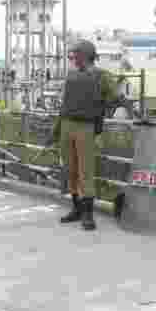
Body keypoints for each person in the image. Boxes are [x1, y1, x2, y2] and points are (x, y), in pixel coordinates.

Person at [51, 40, 118, 231]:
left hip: (87, 127)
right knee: (70, 169)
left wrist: (101, 110)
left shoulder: (102, 76)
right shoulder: (71, 76)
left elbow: (115, 98)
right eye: (72, 55)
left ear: (86, 55)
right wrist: (55, 131)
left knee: (86, 170)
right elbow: (65, 106)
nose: (73, 58)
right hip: (66, 125)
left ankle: (88, 214)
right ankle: (77, 209)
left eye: (76, 55)